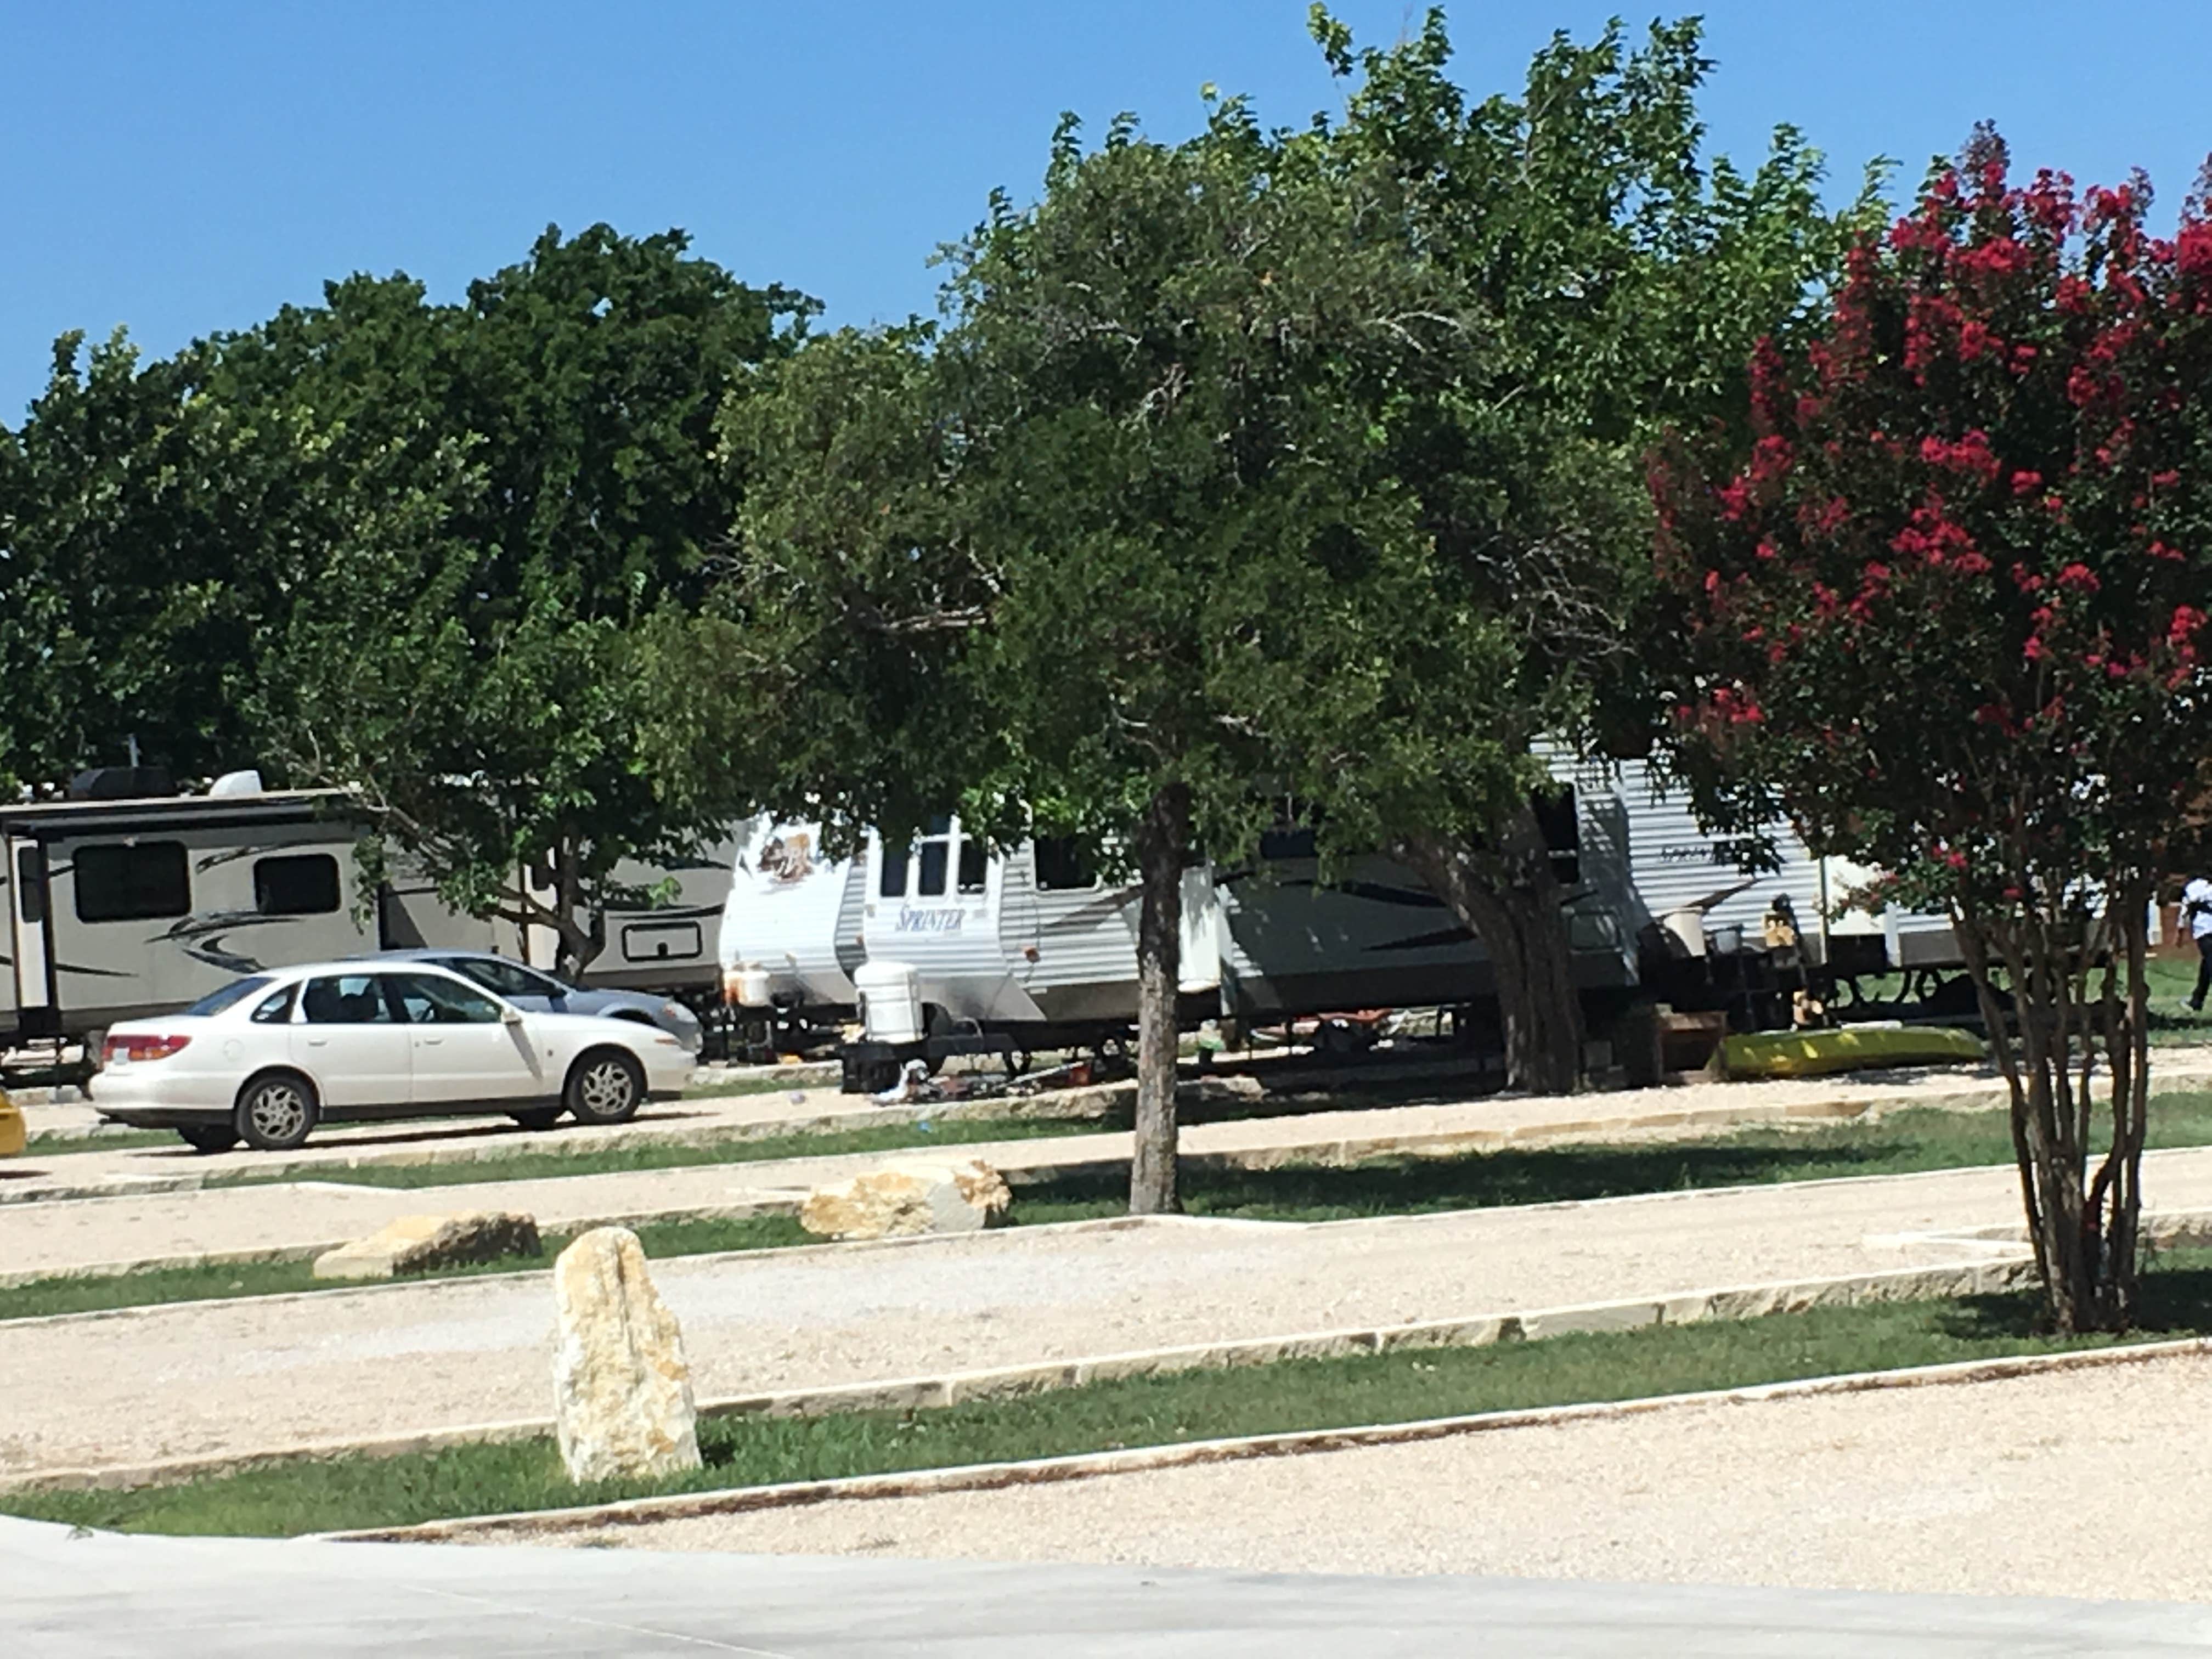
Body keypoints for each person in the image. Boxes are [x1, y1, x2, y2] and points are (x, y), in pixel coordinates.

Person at [2186, 874, 2212, 1012]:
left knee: (2207, 967)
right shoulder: (2196, 886)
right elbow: (2192, 901)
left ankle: (2197, 1000)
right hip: (2205, 930)